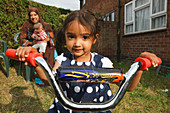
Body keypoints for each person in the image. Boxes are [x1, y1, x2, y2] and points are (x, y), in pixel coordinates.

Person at [16, 9, 159, 113]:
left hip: (97, 110)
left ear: (94, 39)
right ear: (65, 37)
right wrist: (36, 60)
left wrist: (139, 65)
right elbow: (48, 79)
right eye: (71, 36)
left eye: (84, 37)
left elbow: (127, 86)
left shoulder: (102, 63)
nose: (77, 43)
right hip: (67, 110)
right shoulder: (63, 59)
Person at [19, 7, 56, 85]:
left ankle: (50, 76)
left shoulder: (46, 25)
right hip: (33, 46)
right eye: (31, 15)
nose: (33, 17)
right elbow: (22, 38)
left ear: (38, 15)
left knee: (52, 52)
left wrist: (48, 40)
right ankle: (40, 78)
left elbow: (52, 39)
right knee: (36, 54)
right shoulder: (26, 25)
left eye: (35, 15)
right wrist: (31, 43)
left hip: (44, 45)